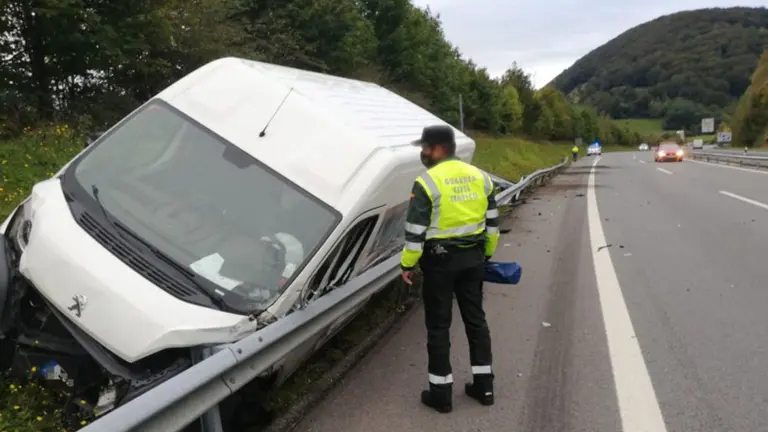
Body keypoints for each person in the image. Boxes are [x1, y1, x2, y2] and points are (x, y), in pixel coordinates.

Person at [400, 125, 500, 414]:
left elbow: (415, 233)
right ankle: (485, 387)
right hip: (474, 259)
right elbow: (492, 225)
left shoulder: (426, 182)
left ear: (439, 148)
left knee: (438, 326)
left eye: (425, 148)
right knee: (476, 321)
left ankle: (441, 395)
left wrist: (407, 265)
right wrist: (486, 254)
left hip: (439, 262)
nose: (423, 153)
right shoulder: (481, 178)